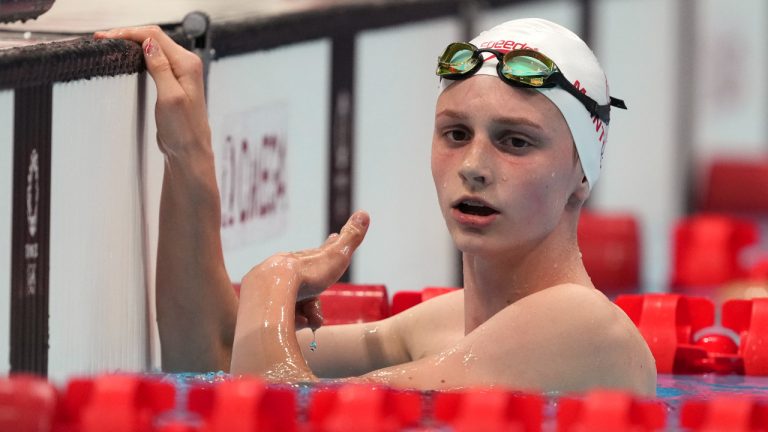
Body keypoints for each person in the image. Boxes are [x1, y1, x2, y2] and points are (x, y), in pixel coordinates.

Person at [95, 18, 656, 396]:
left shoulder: (584, 328)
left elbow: (286, 414)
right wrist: (187, 153)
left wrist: (274, 278)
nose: (475, 165)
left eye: (516, 141)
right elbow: (213, 355)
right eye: (456, 133)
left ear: (583, 173)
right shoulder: (447, 324)